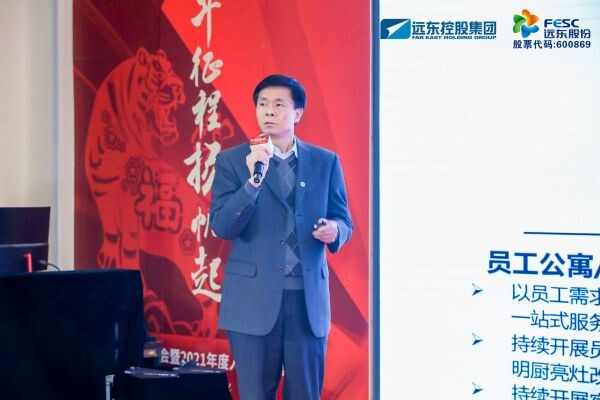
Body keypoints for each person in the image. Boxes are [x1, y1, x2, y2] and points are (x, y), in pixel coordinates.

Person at [210, 74, 352, 400]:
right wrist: (252, 184)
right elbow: (222, 226)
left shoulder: (325, 162)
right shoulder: (233, 161)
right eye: (262, 104)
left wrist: (335, 231)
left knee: (305, 394)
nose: (269, 111)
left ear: (297, 113)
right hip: (252, 301)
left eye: (278, 104)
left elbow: (344, 220)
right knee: (255, 394)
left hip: (306, 303)